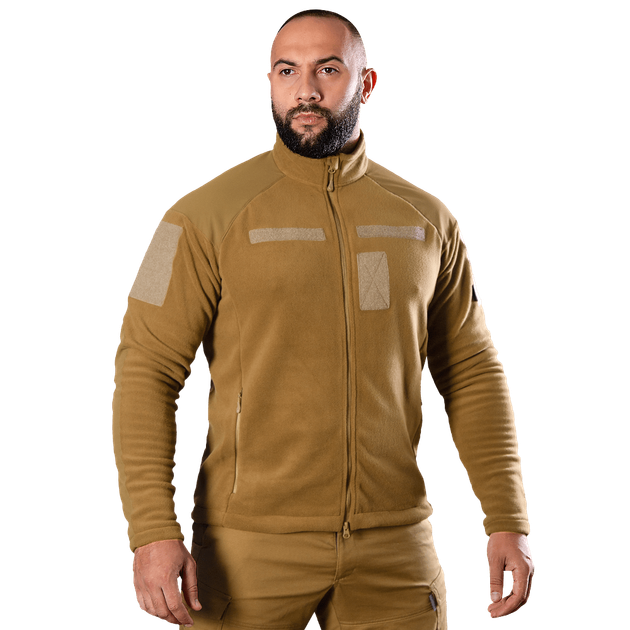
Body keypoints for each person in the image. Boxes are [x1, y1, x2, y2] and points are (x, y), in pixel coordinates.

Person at [111, 9, 535, 629]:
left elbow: (472, 370)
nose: (305, 90)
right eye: (287, 71)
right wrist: (152, 529)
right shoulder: (198, 216)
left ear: (367, 84)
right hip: (247, 549)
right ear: (269, 83)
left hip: (395, 548)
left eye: (328, 70)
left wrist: (507, 518)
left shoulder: (426, 219)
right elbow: (144, 370)